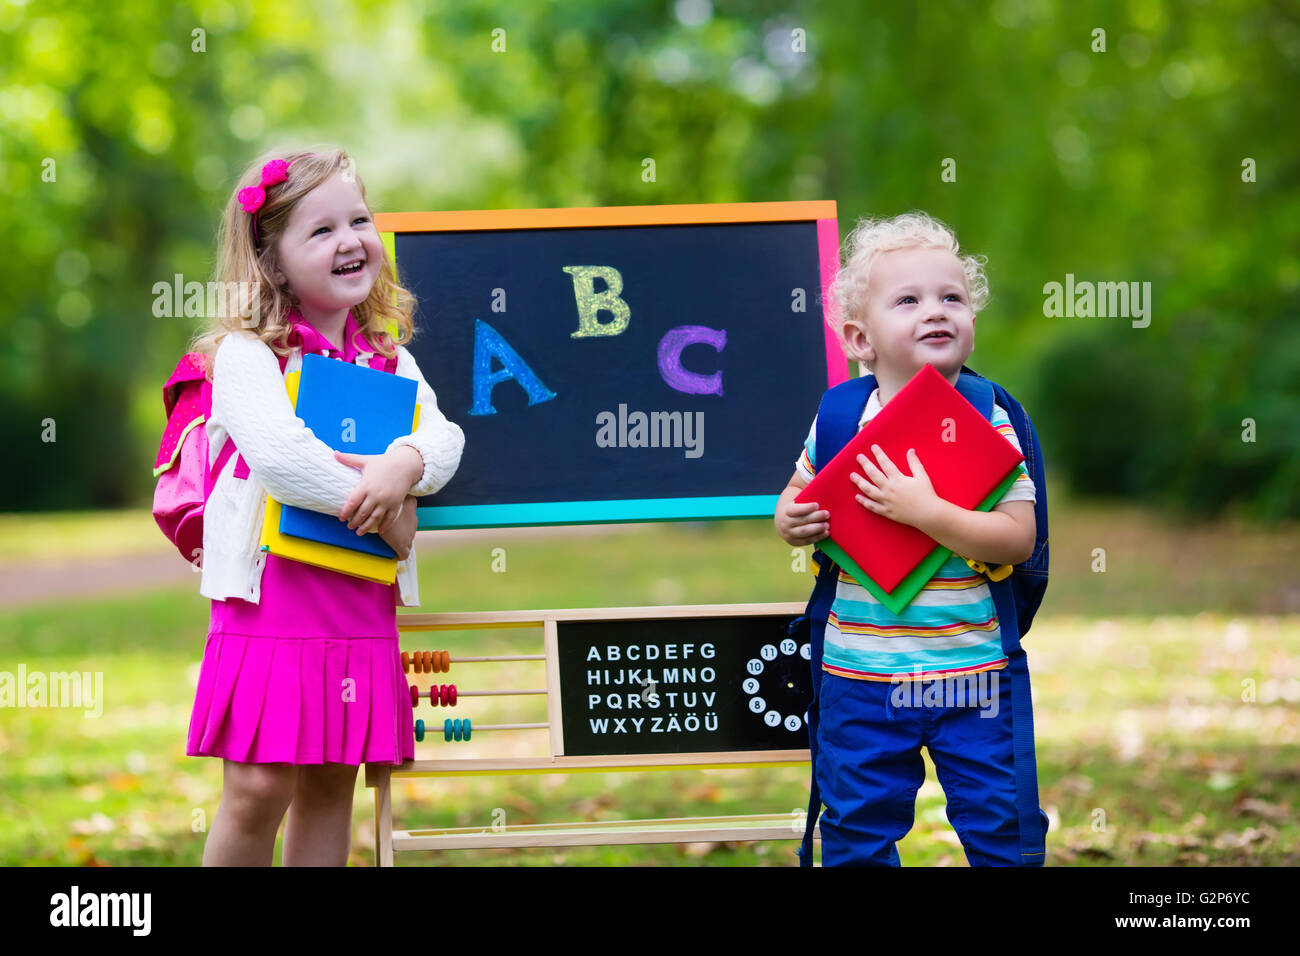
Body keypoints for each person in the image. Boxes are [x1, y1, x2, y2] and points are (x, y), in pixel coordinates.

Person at [184, 147, 464, 866]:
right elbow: (281, 458)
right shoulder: (249, 355)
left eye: (359, 221)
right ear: (272, 263)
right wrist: (382, 508)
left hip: (354, 601)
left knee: (330, 785)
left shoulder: (389, 359)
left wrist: (405, 463)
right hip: (272, 600)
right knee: (257, 787)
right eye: (321, 231)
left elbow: (444, 436)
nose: (350, 241)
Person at [774, 211, 1047, 866]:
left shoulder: (989, 417)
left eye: (952, 297)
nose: (937, 311)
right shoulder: (840, 414)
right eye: (909, 300)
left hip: (971, 673)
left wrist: (925, 511)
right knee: (857, 833)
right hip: (857, 676)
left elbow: (1017, 538)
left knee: (1004, 829)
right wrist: (790, 518)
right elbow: (798, 494)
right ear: (860, 338)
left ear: (971, 322)